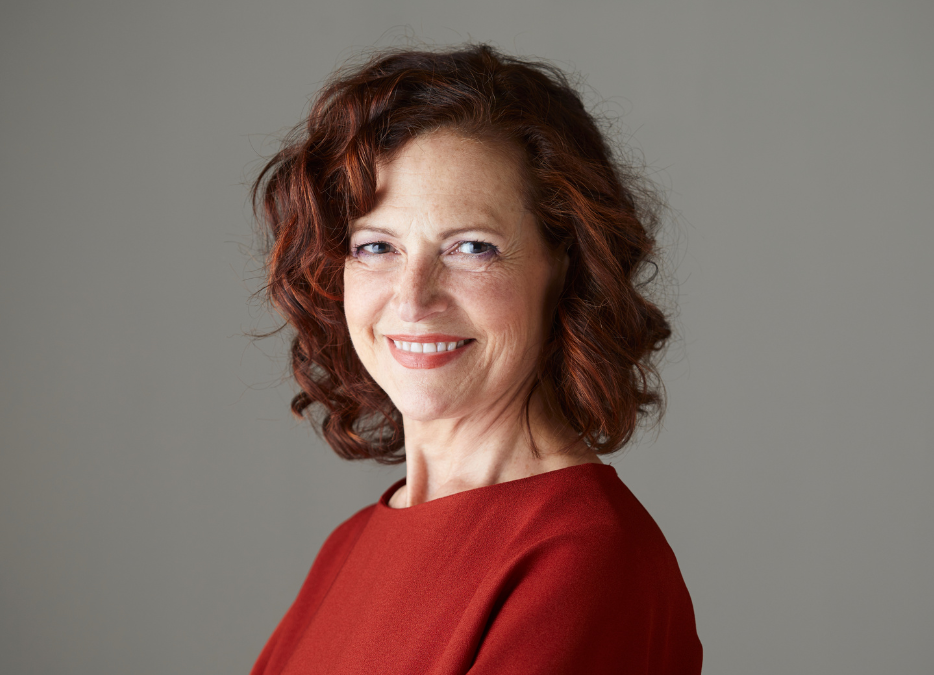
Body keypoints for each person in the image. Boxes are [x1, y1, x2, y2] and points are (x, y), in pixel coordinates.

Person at [249, 44, 701, 674]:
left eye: (470, 247)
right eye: (377, 246)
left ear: (565, 264)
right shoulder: (347, 548)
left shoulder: (582, 559)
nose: (413, 299)